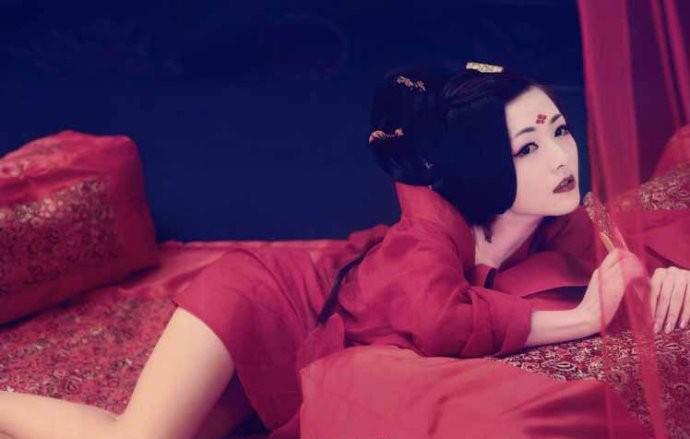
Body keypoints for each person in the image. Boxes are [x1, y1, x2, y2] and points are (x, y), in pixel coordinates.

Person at [1, 63, 688, 439]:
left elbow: (632, 239)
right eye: (528, 147)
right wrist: (581, 318)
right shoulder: (426, 234)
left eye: (560, 131)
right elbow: (442, 321)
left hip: (313, 341)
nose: (562, 157)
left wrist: (676, 271)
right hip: (269, 302)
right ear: (479, 166)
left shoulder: (554, 221)